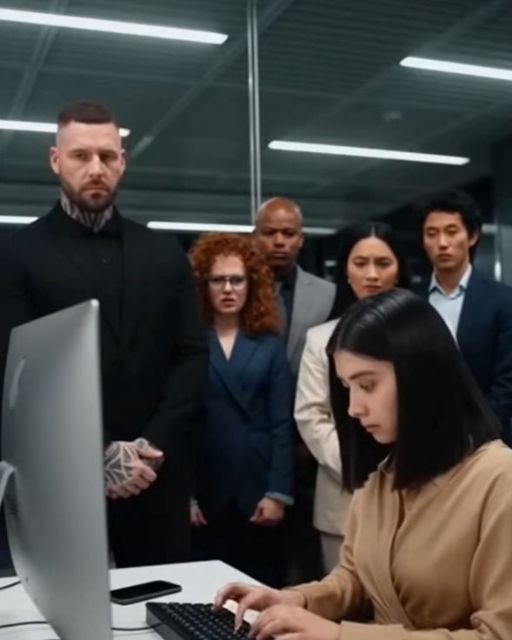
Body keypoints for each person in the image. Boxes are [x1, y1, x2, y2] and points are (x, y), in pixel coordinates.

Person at [215, 289, 512, 639]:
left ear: (422, 376)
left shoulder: (499, 480)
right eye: (347, 388)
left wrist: (340, 636)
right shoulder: (383, 476)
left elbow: (498, 634)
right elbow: (355, 579)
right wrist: (295, 599)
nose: (353, 408)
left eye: (367, 385)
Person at [0, 101, 208, 567]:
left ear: (123, 162)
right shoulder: (16, 256)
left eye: (107, 156)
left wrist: (149, 447)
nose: (96, 168)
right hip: (60, 476)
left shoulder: (164, 252)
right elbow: (17, 373)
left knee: (163, 601)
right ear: (56, 161)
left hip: (156, 477)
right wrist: (99, 451)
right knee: (60, 607)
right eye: (80, 156)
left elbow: (192, 356)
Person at [295, 222, 409, 573]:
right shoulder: (321, 339)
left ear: (399, 269)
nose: (372, 274)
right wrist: (357, 466)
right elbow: (311, 416)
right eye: (361, 263)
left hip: (416, 491)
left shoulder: (423, 333)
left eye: (383, 263)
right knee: (342, 597)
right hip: (344, 495)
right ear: (345, 270)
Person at [188, 233, 294, 587]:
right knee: (204, 592)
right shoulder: (189, 342)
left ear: (252, 285)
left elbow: (282, 425)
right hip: (206, 483)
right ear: (203, 285)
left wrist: (278, 493)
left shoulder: (269, 345)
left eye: (237, 280)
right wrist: (185, 495)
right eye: (217, 280)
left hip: (257, 486)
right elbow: (181, 424)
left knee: (260, 589)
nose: (228, 289)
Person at [254, 196, 335, 582]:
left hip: (308, 444)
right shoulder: (236, 290)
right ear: (255, 236)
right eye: (269, 232)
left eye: (288, 233)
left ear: (301, 239)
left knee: (306, 553)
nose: (279, 241)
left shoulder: (327, 294)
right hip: (255, 437)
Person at [419, 189, 512, 444]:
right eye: (432, 233)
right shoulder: (412, 301)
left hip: (487, 438)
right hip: (423, 437)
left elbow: (507, 382)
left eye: (452, 232)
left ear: (472, 237)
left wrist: (476, 435)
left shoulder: (503, 301)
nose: (442, 243)